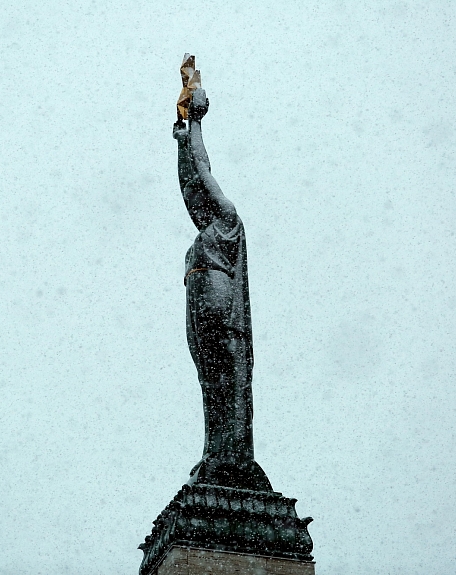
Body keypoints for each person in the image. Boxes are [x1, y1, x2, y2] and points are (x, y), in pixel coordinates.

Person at [173, 88, 272, 492]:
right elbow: (189, 183)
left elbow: (202, 174)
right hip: (199, 304)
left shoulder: (228, 218)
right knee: (210, 383)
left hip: (217, 301)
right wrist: (180, 143)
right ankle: (217, 452)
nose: (197, 203)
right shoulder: (207, 230)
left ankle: (233, 457)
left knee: (225, 381)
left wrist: (195, 125)